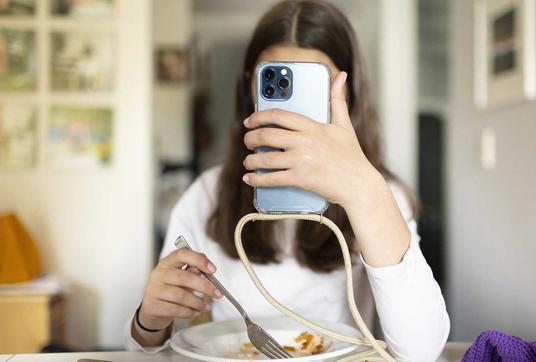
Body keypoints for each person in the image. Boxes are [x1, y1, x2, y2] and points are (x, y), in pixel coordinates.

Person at [125, 1, 449, 360]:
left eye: (311, 87)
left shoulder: (381, 195)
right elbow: (150, 352)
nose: (291, 112)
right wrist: (149, 321)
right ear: (250, 87)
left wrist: (366, 194)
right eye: (277, 82)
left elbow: (423, 353)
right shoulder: (206, 195)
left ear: (347, 94)